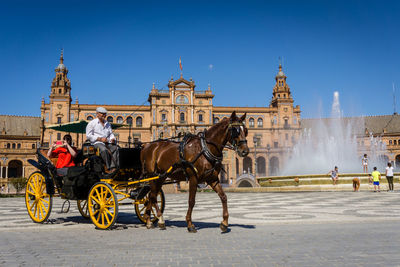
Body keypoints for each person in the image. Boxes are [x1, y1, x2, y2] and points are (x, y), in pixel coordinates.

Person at [86, 107, 119, 171]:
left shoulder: (108, 124)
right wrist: (99, 139)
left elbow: (111, 134)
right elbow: (89, 136)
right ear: (97, 114)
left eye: (105, 114)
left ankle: (113, 167)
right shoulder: (92, 123)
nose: (104, 115)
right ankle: (108, 167)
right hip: (97, 143)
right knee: (104, 150)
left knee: (116, 148)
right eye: (102, 114)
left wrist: (112, 139)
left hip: (107, 143)